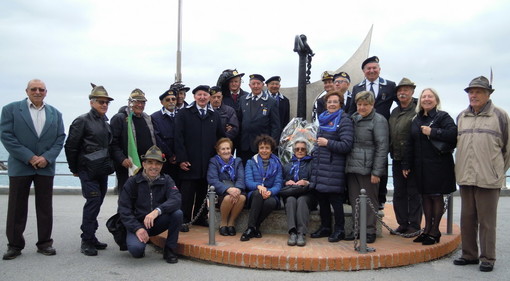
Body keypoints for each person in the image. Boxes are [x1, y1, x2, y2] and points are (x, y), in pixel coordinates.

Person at [1, 79, 65, 260]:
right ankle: (14, 245)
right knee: (16, 208)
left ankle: (45, 243)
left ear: (46, 92)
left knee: (45, 208)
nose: (38, 92)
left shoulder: (56, 113)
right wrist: (29, 157)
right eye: (34, 89)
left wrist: (47, 158)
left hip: (45, 166)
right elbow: (6, 136)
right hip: (21, 166)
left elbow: (60, 138)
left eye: (41, 89)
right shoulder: (10, 110)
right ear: (27, 91)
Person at [453, 76, 510, 272]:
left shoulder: (500, 116)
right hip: (466, 177)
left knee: (487, 221)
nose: (473, 95)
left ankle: (488, 257)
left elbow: (508, 150)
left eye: (478, 91)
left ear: (488, 94)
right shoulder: (461, 116)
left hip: (489, 178)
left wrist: (497, 171)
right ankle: (469, 254)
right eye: (471, 92)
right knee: (467, 218)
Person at [64, 83, 115, 256]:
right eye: (101, 102)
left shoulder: (105, 123)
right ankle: (86, 240)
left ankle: (91, 236)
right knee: (93, 202)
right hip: (87, 170)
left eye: (107, 102)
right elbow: (71, 146)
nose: (104, 105)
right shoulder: (82, 121)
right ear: (91, 102)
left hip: (101, 170)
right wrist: (74, 168)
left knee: (98, 202)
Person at [403, 88, 457, 246]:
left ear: (436, 100)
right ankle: (426, 229)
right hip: (420, 165)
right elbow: (410, 143)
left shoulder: (443, 116)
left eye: (430, 96)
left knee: (436, 196)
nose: (426, 99)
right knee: (425, 196)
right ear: (420, 100)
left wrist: (433, 132)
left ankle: (435, 231)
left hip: (438, 165)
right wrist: (406, 164)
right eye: (424, 96)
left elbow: (453, 134)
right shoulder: (416, 119)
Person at [118, 145, 183, 263]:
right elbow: (124, 210)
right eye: (150, 163)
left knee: (177, 214)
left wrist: (157, 211)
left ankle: (169, 249)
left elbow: (176, 199)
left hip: (156, 221)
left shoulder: (167, 180)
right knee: (136, 251)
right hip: (137, 223)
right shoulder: (132, 182)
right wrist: (137, 228)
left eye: (157, 163)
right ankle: (139, 240)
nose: (154, 166)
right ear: (144, 164)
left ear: (162, 166)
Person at [349, 56, 397, 210]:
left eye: (374, 68)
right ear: (363, 71)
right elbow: (352, 110)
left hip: (382, 130)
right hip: (363, 132)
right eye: (368, 68)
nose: (371, 70)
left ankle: (381, 198)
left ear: (379, 69)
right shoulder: (357, 88)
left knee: (381, 163)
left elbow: (402, 101)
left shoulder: (389, 86)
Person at [174, 85, 225, 231]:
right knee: (187, 194)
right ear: (194, 97)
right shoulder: (184, 113)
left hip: (207, 162)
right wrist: (181, 159)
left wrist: (220, 158)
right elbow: (178, 138)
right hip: (189, 161)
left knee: (203, 192)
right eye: (199, 95)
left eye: (205, 95)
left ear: (209, 97)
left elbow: (220, 137)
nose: (202, 97)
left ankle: (200, 217)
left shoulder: (214, 115)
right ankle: (183, 219)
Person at [310, 91, 354, 242]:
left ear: (340, 104)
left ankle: (339, 229)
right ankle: (325, 227)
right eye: (329, 102)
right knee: (322, 199)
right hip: (320, 165)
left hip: (334, 167)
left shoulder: (344, 120)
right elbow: (319, 141)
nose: (332, 104)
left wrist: (327, 143)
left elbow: (347, 145)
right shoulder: (323, 119)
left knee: (335, 201)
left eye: (335, 102)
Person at [345, 91, 389, 243]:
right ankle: (357, 229)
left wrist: (376, 171)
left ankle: (369, 230)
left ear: (372, 105)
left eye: (365, 104)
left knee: (370, 200)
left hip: (368, 168)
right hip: (352, 167)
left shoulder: (379, 120)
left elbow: (382, 147)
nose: (362, 107)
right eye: (359, 104)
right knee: (355, 200)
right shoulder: (353, 118)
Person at [388, 78, 422, 236]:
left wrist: (408, 163)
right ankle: (402, 223)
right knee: (399, 192)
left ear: (412, 92)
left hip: (413, 159)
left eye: (406, 90)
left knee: (413, 193)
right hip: (397, 158)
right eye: (400, 90)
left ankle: (414, 224)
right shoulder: (394, 112)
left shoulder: (417, 111)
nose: (403, 93)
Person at [110, 89, 159, 194]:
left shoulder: (147, 119)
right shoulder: (120, 118)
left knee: (143, 196)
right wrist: (122, 159)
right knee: (126, 196)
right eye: (137, 101)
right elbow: (112, 143)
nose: (140, 105)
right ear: (130, 102)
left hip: (145, 166)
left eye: (143, 102)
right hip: (127, 166)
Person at [241, 135, 283, 241]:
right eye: (261, 148)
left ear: (271, 150)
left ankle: (254, 227)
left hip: (270, 194)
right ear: (258, 149)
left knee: (271, 203)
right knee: (258, 194)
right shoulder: (251, 162)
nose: (264, 150)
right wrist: (258, 186)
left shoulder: (278, 164)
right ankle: (251, 227)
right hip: (254, 194)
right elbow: (248, 182)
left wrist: (270, 191)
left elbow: (278, 184)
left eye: (267, 148)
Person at [207, 138, 246, 236]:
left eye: (228, 148)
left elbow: (241, 177)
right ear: (218, 152)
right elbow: (212, 179)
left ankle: (231, 223)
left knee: (241, 198)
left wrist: (237, 189)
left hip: (237, 190)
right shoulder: (213, 161)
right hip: (221, 192)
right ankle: (223, 223)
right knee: (228, 198)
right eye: (223, 149)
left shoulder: (238, 161)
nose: (226, 151)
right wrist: (228, 189)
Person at [239, 74, 281, 164]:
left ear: (263, 85)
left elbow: (276, 126)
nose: (256, 86)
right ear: (249, 86)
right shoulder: (243, 100)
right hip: (245, 145)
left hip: (262, 146)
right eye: (253, 84)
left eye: (258, 83)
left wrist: (271, 145)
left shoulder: (271, 102)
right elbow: (239, 121)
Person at [282, 140, 314, 247]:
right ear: (294, 151)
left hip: (307, 194)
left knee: (301, 200)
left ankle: (301, 233)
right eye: (297, 149)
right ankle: (293, 232)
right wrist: (286, 182)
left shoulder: (311, 163)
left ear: (306, 151)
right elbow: (279, 180)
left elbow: (315, 181)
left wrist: (306, 182)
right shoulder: (288, 164)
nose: (300, 151)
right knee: (291, 200)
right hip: (291, 192)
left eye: (303, 149)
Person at [151, 88, 180, 186]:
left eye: (173, 99)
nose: (171, 102)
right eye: (168, 100)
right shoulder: (155, 117)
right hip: (165, 160)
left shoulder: (182, 115)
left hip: (180, 161)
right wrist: (170, 155)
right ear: (162, 102)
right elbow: (157, 138)